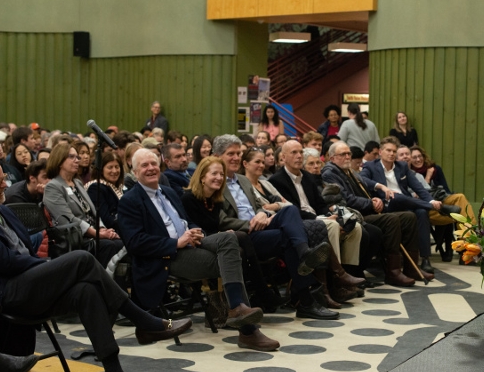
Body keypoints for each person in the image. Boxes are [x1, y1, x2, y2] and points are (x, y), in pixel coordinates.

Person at [0, 158, 191, 372]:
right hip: (7, 293)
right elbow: (6, 262)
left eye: (4, 180)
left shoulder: (4, 211)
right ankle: (143, 320)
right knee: (82, 258)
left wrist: (42, 258)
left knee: (86, 290)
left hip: (30, 282)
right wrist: (49, 267)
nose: (5, 186)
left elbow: (23, 249)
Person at [117, 149, 266, 341]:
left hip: (192, 242)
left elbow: (187, 221)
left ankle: (238, 310)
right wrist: (176, 242)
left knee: (230, 238)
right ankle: (248, 329)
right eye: (144, 165)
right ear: (135, 171)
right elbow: (134, 242)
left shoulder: (169, 192)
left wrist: (197, 232)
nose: (151, 168)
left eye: (153, 164)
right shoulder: (130, 201)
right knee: (232, 258)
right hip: (168, 255)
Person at [212, 135, 338, 320]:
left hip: (262, 224)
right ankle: (306, 300)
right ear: (217, 156)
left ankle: (304, 254)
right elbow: (221, 219)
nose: (236, 157)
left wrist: (264, 214)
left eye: (238, 153)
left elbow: (258, 206)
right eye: (230, 153)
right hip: (243, 234)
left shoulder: (242, 180)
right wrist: (251, 223)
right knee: (290, 238)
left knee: (290, 211)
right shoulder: (214, 181)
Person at [178, 157, 279, 351]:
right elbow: (195, 228)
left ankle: (246, 314)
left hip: (213, 240)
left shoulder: (215, 199)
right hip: (195, 240)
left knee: (238, 242)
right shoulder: (189, 198)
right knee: (236, 237)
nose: (218, 178)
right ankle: (255, 295)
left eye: (221, 174)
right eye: (214, 173)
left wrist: (222, 234)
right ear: (202, 177)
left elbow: (218, 225)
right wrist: (220, 235)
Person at [269, 141, 369, 298]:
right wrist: (323, 218)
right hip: (300, 223)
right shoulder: (277, 180)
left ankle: (347, 276)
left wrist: (330, 214)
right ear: (284, 156)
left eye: (300, 152)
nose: (298, 156)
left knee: (354, 228)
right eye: (294, 152)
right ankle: (333, 282)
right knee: (332, 226)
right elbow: (291, 211)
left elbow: (321, 205)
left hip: (319, 217)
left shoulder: (308, 177)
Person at [323, 141, 420, 286]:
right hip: (355, 213)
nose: (347, 157)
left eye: (349, 153)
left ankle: (411, 268)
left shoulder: (349, 171)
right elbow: (346, 199)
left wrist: (376, 195)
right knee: (391, 220)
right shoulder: (331, 173)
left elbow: (365, 184)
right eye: (343, 154)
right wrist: (371, 203)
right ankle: (393, 271)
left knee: (409, 217)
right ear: (332, 158)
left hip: (366, 210)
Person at [361, 136, 460, 274]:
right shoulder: (371, 166)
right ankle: (439, 209)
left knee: (421, 212)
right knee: (396, 197)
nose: (391, 154)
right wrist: (381, 187)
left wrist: (431, 200)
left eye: (394, 151)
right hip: (386, 205)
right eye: (388, 150)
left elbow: (418, 187)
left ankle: (425, 259)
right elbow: (362, 179)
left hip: (406, 203)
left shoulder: (402, 167)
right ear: (381, 152)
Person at [43, 142, 124, 268]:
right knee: (109, 245)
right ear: (59, 161)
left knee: (120, 242)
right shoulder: (53, 187)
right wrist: (96, 233)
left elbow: (93, 212)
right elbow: (67, 219)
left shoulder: (77, 183)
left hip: (93, 234)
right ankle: (99, 284)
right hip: (75, 239)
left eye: (77, 157)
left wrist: (102, 229)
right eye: (72, 157)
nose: (77, 160)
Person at [401, 145, 474, 261]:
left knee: (461, 199)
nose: (417, 159)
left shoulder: (419, 175)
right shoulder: (396, 174)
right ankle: (469, 249)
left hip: (435, 204)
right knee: (461, 212)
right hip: (419, 210)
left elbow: (429, 192)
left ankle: (468, 248)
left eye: (419, 156)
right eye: (402, 155)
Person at [85, 151, 125, 231]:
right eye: (110, 167)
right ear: (101, 170)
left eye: (117, 167)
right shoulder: (96, 187)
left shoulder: (121, 187)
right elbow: (106, 219)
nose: (114, 171)